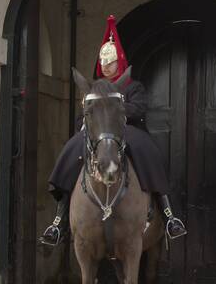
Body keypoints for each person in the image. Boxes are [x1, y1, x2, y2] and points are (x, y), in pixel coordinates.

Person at [39, 15, 187, 246]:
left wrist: (112, 107)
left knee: (146, 149)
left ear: (119, 61)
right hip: (97, 134)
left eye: (111, 63)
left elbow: (138, 108)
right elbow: (83, 115)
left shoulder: (132, 86)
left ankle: (168, 215)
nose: (106, 67)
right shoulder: (93, 88)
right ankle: (59, 220)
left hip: (127, 130)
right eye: (103, 63)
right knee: (72, 149)